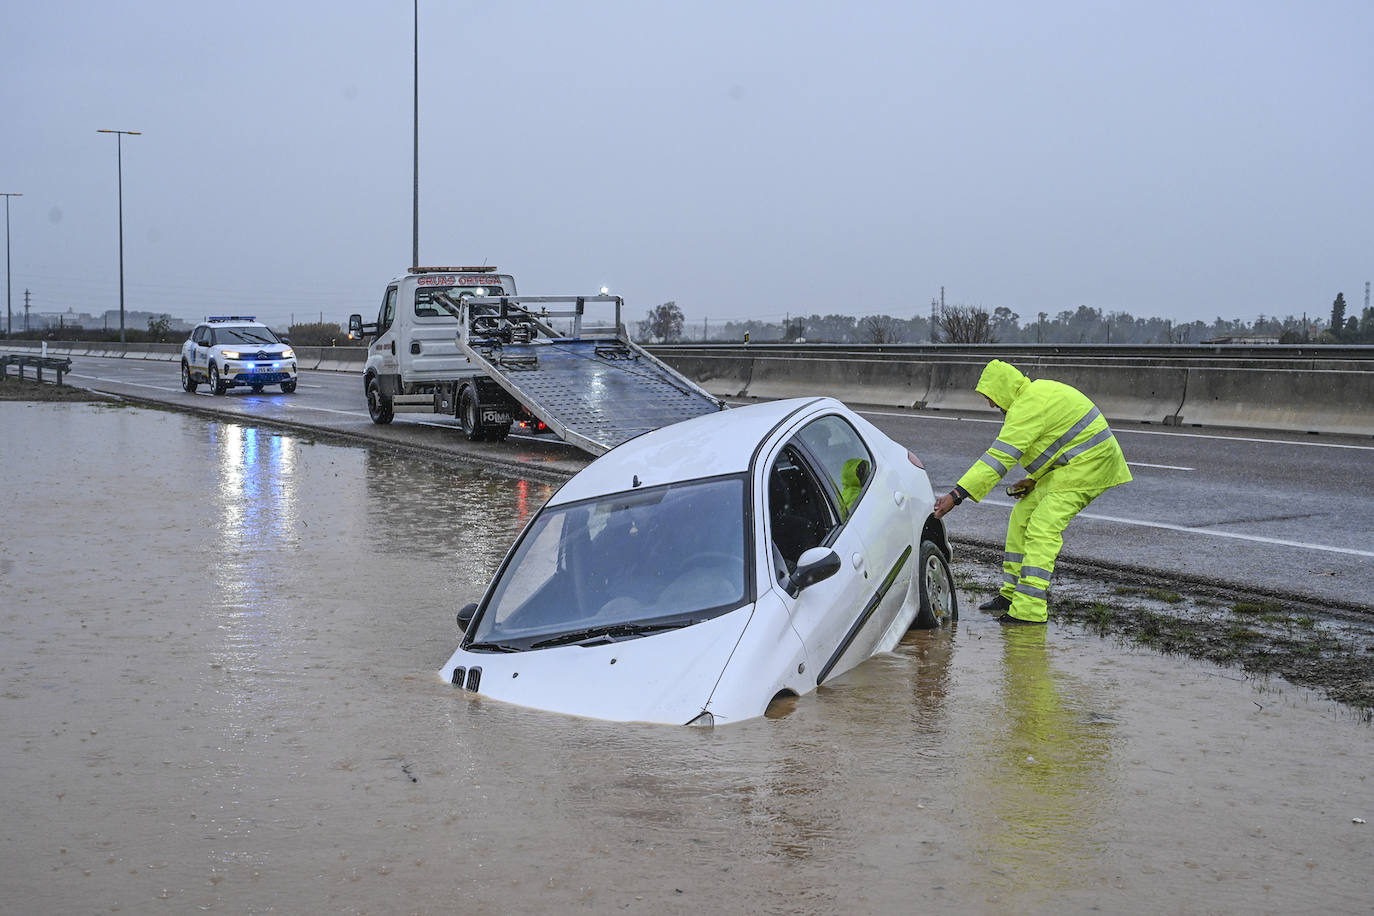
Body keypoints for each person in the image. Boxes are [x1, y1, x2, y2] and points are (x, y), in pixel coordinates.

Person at [933, 359, 1132, 624]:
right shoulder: (1032, 397)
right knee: (1023, 514)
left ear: (1003, 390)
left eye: (991, 397)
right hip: (1074, 465)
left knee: (1042, 528)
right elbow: (1056, 443)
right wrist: (1034, 479)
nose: (992, 405)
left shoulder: (1028, 405)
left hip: (1091, 465)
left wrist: (957, 496)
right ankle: (1012, 595)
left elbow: (999, 458)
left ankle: (1029, 611)